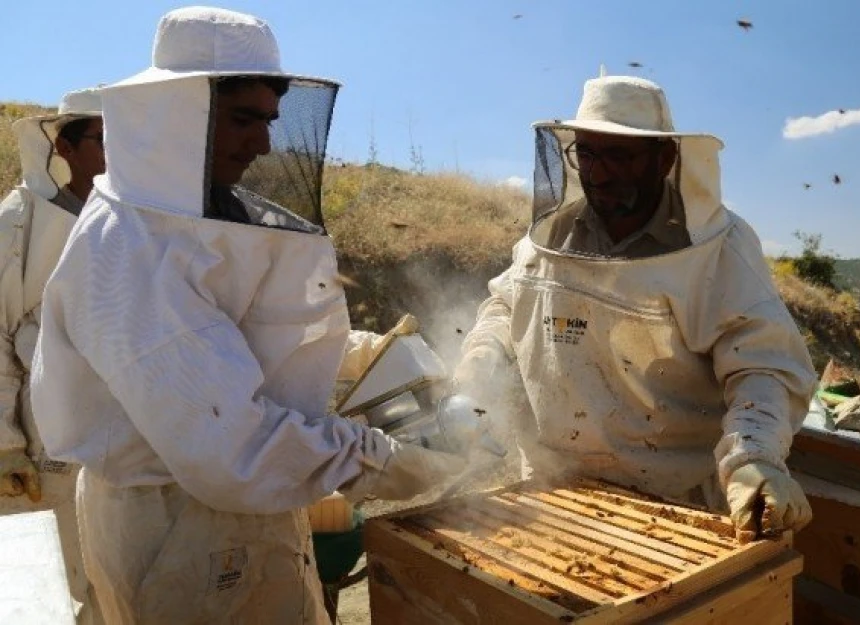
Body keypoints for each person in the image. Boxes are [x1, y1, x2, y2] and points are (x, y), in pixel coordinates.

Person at [31, 7, 465, 624]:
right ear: (179, 116)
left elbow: (248, 338)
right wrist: (385, 460)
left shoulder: (191, 218)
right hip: (179, 524)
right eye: (241, 120)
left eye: (267, 120)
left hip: (233, 508)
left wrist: (369, 350)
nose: (262, 143)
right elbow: (233, 446)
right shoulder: (130, 246)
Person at [455, 73, 818, 542]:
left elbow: (763, 365)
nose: (598, 173)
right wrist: (479, 362)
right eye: (586, 153)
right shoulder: (552, 235)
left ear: (664, 157)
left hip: (672, 504)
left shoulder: (719, 247)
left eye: (619, 156)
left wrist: (753, 457)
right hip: (553, 488)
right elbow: (507, 307)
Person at [0, 87, 104, 623]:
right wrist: (6, 447)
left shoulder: (124, 218)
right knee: (59, 587)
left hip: (115, 438)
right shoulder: (18, 219)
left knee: (114, 581)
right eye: (102, 140)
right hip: (43, 443)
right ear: (64, 146)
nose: (115, 154)